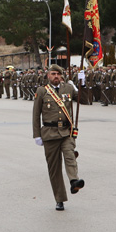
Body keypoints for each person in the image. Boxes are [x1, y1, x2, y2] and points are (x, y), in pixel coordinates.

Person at [32, 64, 83, 211]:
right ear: (48, 76)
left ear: (61, 76)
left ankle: (74, 181)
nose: (56, 76)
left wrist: (82, 84)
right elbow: (36, 115)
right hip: (49, 133)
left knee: (70, 155)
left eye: (58, 74)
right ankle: (60, 199)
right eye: (53, 74)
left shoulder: (68, 88)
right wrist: (37, 135)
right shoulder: (42, 91)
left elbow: (85, 99)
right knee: (54, 169)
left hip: (66, 131)